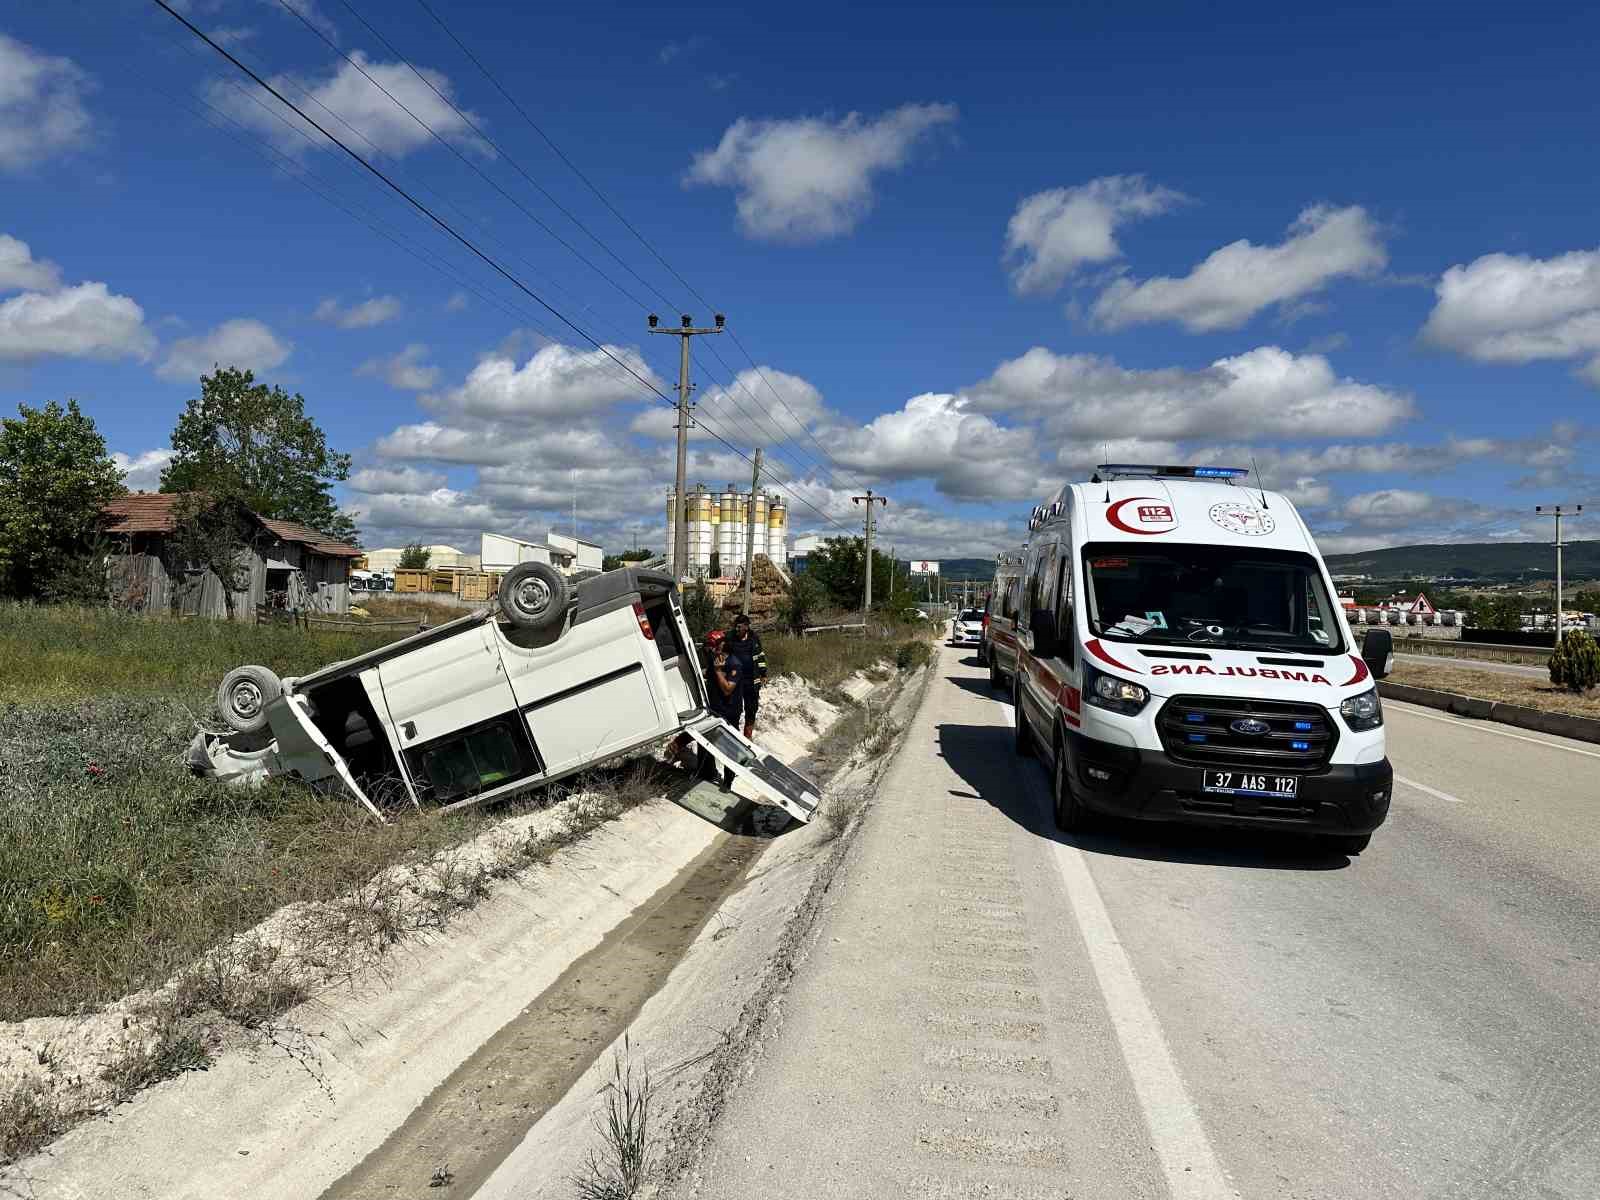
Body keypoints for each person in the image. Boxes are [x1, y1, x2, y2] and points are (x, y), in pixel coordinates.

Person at [703, 632, 743, 790]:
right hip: (715, 710)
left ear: (719, 646)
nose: (709, 649)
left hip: (730, 711)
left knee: (729, 747)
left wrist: (719, 671)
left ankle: (728, 781)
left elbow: (727, 689)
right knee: (707, 743)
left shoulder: (734, 664)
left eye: (711, 646)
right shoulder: (715, 660)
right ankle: (707, 773)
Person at [725, 613, 767, 739]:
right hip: (735, 682)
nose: (736, 630)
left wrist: (763, 673)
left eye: (739, 627)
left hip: (752, 681)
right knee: (735, 710)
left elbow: (760, 656)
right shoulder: (730, 638)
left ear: (746, 627)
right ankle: (735, 736)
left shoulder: (754, 639)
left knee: (751, 708)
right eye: (735, 627)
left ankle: (747, 736)